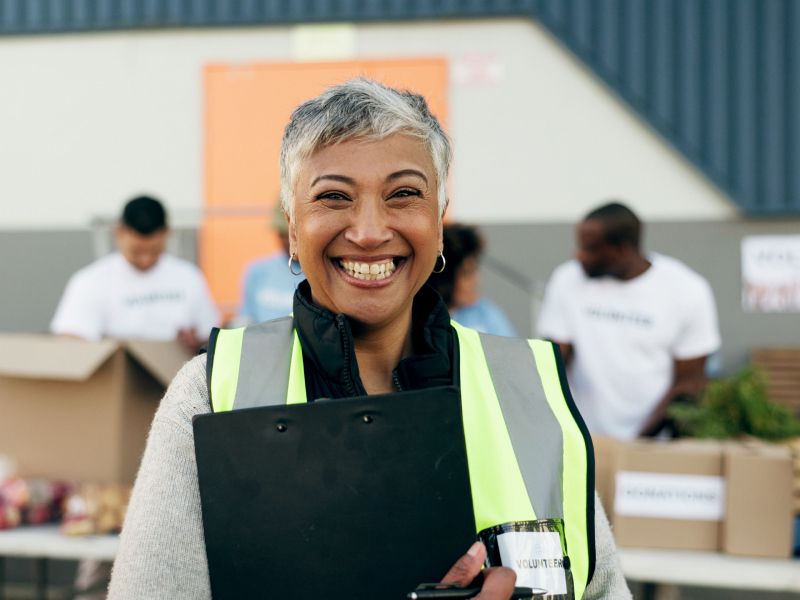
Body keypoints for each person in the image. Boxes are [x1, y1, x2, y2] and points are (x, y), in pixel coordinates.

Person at [108, 80, 629, 599]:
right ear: (293, 228)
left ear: (439, 221)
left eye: (403, 194)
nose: (370, 230)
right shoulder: (210, 393)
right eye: (333, 197)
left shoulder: (531, 388)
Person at [537, 202, 721, 440]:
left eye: (590, 249)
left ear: (622, 250)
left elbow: (689, 383)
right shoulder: (566, 279)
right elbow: (553, 361)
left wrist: (638, 445)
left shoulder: (687, 289)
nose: (578, 255)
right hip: (581, 443)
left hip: (652, 446)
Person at [51, 196, 220, 352]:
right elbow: (70, 339)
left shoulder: (188, 277)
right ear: (119, 233)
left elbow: (212, 335)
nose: (145, 260)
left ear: (166, 234)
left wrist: (196, 342)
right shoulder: (90, 281)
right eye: (137, 252)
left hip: (178, 377)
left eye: (154, 251)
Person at [428, 223, 516, 336]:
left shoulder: (485, 313)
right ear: (444, 278)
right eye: (467, 274)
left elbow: (510, 350)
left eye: (475, 270)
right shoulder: (424, 318)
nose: (476, 281)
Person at [237, 202, 302, 324]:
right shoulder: (257, 270)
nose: (289, 241)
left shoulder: (320, 273)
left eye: (293, 234)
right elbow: (245, 321)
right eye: (282, 234)